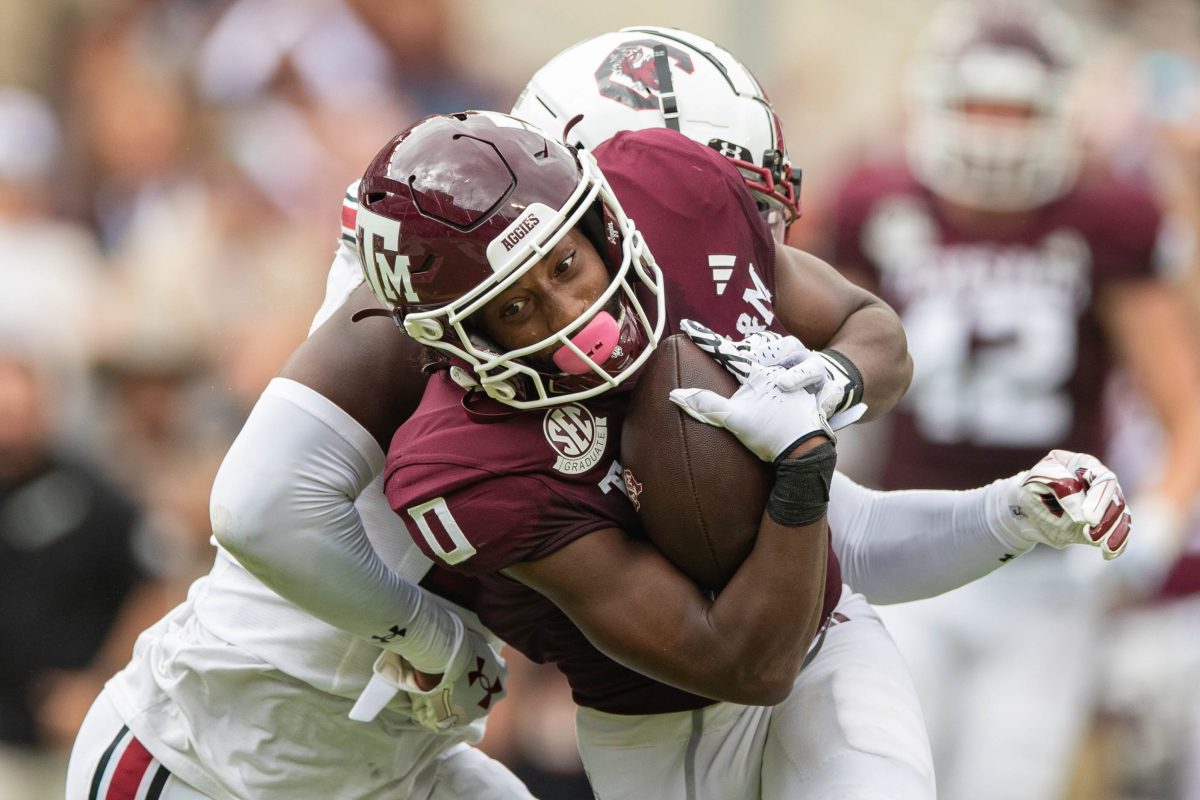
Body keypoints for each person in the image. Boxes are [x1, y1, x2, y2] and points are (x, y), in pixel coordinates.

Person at [66, 26, 1130, 800]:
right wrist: (435, 638)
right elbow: (257, 501)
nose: (738, 238)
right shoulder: (427, 319)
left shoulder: (645, 298)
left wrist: (995, 504)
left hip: (402, 765)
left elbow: (832, 518)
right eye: (716, 195)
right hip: (212, 758)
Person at [361, 106, 1130, 800]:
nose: (577, 315)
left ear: (602, 221)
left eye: (567, 265)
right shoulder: (465, 463)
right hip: (661, 729)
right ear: (458, 338)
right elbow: (745, 665)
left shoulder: (673, 200)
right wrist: (800, 469)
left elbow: (869, 344)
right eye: (517, 306)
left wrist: (844, 384)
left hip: (828, 651)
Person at [823, 2, 1200, 798]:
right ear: (931, 103)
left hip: (1046, 570)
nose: (995, 131)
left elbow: (1184, 401)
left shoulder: (1106, 219)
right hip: (907, 545)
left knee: (1008, 780)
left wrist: (1159, 520)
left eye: (1018, 110)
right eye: (978, 106)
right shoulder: (874, 203)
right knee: (885, 773)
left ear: (1061, 113)